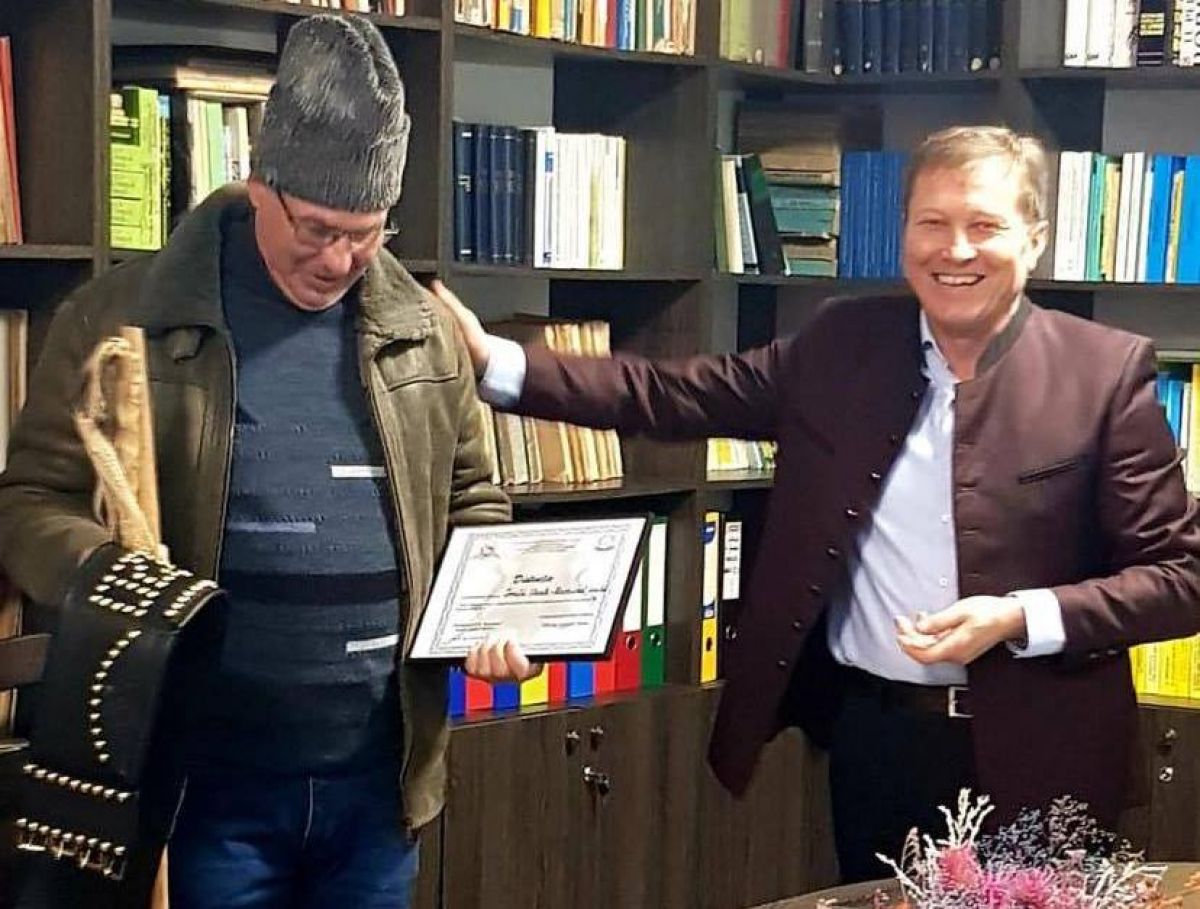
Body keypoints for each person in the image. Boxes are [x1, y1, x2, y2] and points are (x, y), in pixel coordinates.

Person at [434, 125, 1200, 882]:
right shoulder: (842, 344)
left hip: (1048, 753)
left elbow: (1180, 578)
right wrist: (492, 360)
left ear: (1035, 238)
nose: (955, 249)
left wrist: (1019, 616)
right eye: (932, 223)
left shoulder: (1102, 374)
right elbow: (671, 393)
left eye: (985, 226)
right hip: (877, 742)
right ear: (904, 234)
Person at [0, 14, 534, 909]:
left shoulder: (425, 330)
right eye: (317, 228)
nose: (339, 259)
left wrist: (490, 609)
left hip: (379, 786)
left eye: (366, 233)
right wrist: (119, 580)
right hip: (204, 790)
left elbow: (474, 497)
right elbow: (28, 501)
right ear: (260, 184)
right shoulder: (123, 319)